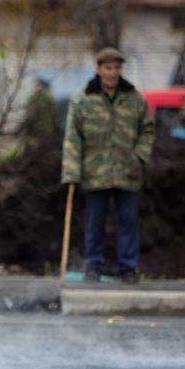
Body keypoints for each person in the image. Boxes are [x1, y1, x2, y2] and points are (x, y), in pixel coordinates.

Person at [61, 47, 155, 284]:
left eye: (116, 68)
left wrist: (139, 156)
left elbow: (148, 129)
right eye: (108, 68)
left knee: (128, 221)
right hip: (96, 171)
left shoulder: (134, 99)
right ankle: (93, 265)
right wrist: (71, 171)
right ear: (99, 70)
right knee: (95, 221)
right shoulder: (83, 99)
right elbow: (72, 137)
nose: (112, 73)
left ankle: (128, 268)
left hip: (127, 171)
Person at [19, 75, 60, 148]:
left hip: (35, 134)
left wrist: (21, 127)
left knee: (31, 155)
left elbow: (30, 116)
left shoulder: (35, 97)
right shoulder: (51, 97)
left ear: (39, 85)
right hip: (49, 134)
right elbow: (56, 117)